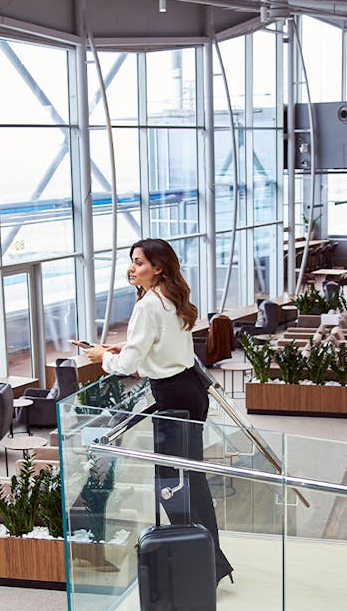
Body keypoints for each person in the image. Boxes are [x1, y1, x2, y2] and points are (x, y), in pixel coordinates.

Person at [84, 238, 234, 584]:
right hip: (190, 389)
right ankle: (207, 559)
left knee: (173, 484)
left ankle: (207, 563)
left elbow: (127, 366)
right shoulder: (171, 297)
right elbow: (164, 344)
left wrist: (101, 357)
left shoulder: (148, 305)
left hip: (173, 396)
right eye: (132, 261)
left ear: (159, 268)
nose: (132, 268)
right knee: (189, 482)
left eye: (139, 262)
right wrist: (125, 346)